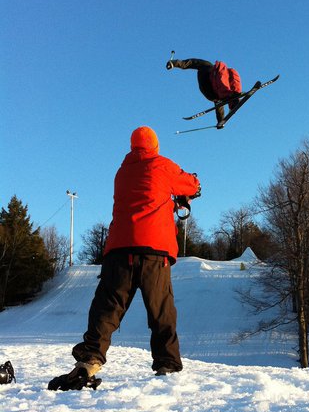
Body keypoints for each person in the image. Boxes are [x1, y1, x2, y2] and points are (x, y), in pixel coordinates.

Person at [48, 126, 201, 390]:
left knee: (107, 307)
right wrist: (187, 191)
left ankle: (90, 359)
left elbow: (144, 196)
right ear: (155, 145)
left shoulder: (122, 172)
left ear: (133, 146)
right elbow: (191, 184)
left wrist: (168, 202)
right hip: (155, 251)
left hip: (119, 250)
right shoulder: (162, 165)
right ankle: (167, 363)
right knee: (161, 309)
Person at [166, 57, 242, 125]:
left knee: (230, 73)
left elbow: (219, 104)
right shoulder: (207, 66)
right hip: (211, 91)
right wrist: (174, 63)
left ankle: (234, 96)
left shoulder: (214, 70)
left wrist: (220, 121)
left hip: (216, 93)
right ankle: (233, 98)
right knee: (221, 82)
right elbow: (191, 62)